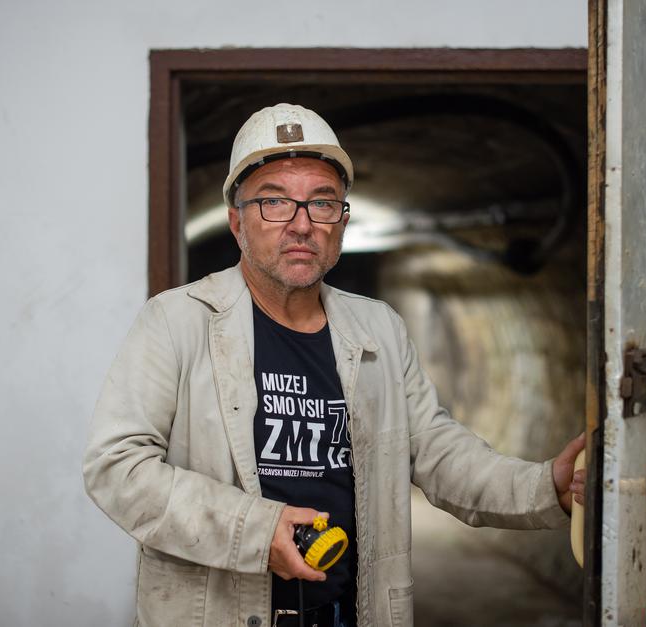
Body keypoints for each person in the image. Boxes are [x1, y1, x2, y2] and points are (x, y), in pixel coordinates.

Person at [83, 103, 586, 627]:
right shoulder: (177, 321)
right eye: (275, 202)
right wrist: (255, 531)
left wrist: (543, 485)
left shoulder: (379, 330)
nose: (302, 224)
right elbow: (117, 467)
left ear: (342, 222)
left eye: (322, 203)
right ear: (236, 222)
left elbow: (437, 452)